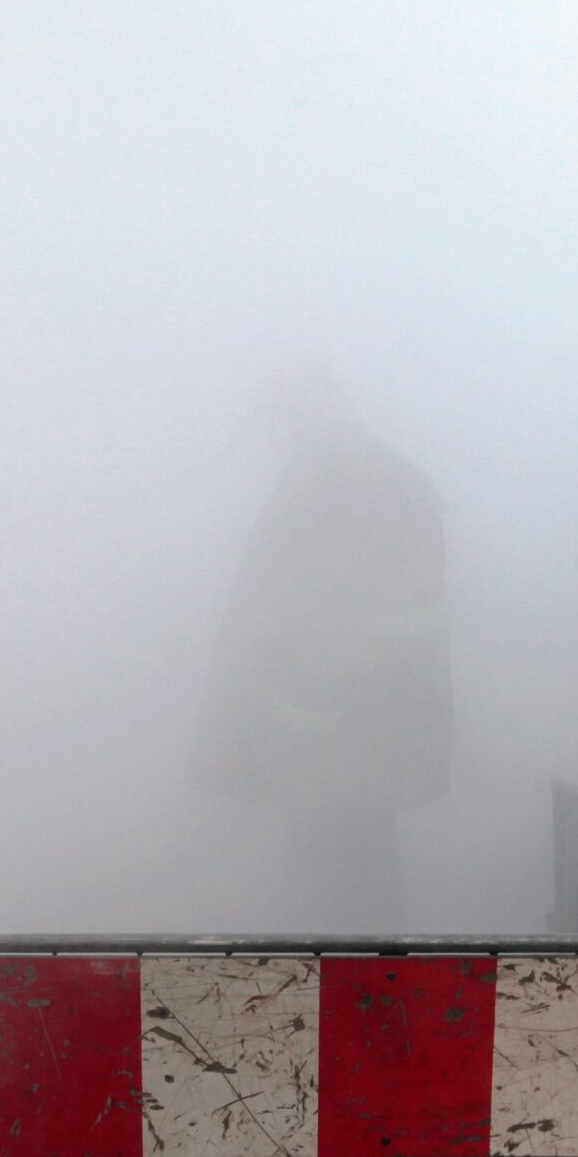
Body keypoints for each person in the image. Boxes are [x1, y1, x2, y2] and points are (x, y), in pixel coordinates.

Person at [192, 369, 451, 928]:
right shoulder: (366, 474)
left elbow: (331, 610)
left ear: (305, 415)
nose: (270, 437)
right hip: (356, 724)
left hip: (336, 727)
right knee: (355, 872)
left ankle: (355, 1000)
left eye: (278, 421)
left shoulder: (342, 482)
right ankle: (366, 994)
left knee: (335, 883)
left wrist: (308, 704)